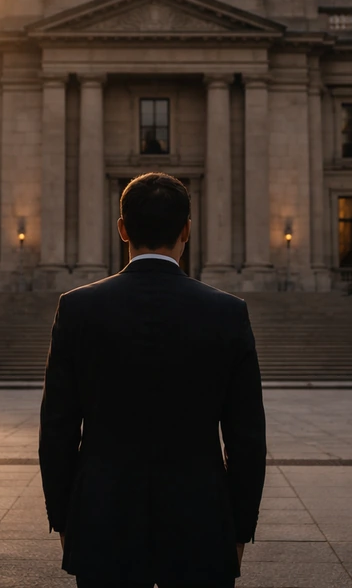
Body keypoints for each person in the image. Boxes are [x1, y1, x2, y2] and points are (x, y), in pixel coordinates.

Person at [40, 172, 267, 588]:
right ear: (187, 231)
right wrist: (238, 531)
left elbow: (57, 431)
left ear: (122, 229)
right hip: (201, 524)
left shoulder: (77, 309)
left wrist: (65, 522)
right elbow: (247, 439)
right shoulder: (228, 313)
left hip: (101, 521)